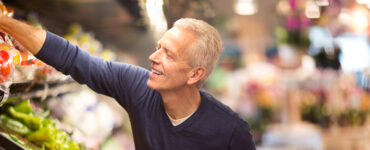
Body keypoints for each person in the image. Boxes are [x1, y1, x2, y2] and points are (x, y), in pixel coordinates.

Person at [0, 13, 256, 150]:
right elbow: (71, 57)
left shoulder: (231, 133)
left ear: (194, 74)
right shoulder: (138, 87)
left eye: (168, 54)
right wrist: (4, 21)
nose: (153, 58)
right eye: (158, 47)